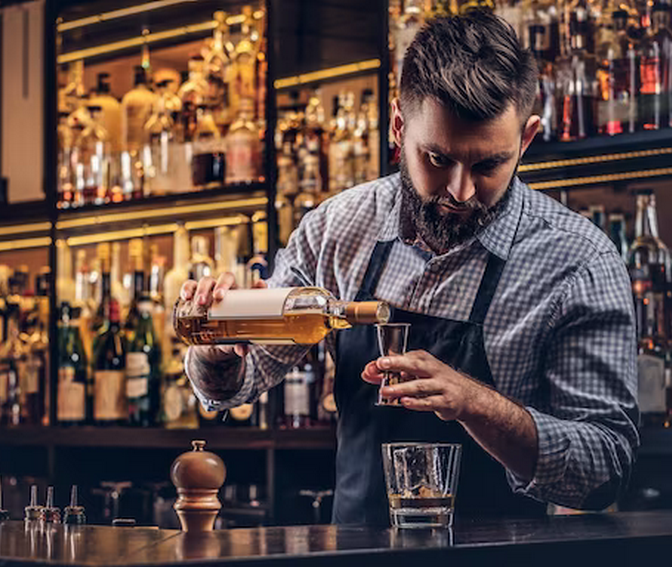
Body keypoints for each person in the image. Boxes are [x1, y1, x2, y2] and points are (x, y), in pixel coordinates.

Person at [183, 11, 639, 524]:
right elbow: (235, 387)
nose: (461, 192)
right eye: (438, 159)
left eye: (489, 165)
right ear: (399, 126)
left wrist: (476, 404)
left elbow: (606, 468)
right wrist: (219, 350)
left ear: (526, 139)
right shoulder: (338, 228)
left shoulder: (578, 261)